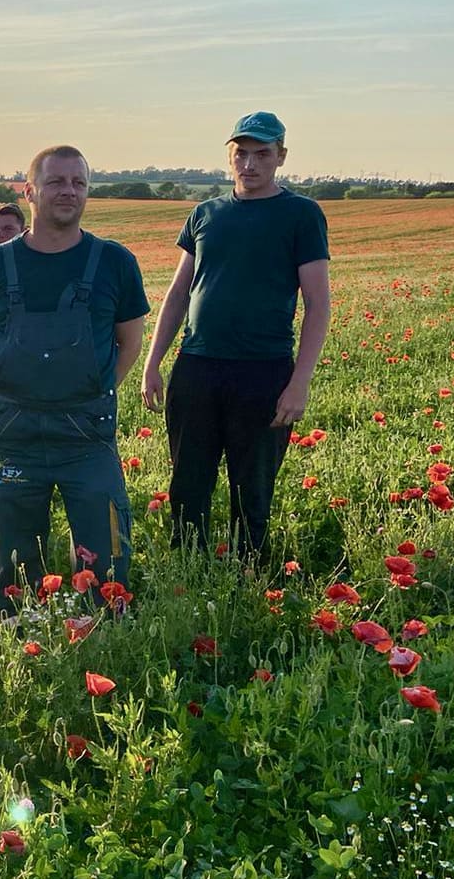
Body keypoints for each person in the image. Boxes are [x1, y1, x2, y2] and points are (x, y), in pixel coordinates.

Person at [0, 146, 149, 614]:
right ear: (29, 191)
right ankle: (16, 637)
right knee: (15, 561)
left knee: (105, 556)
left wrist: (89, 391)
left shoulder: (114, 263)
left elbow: (129, 345)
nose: (68, 191)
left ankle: (101, 632)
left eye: (78, 183)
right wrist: (14, 392)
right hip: (15, 435)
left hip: (87, 437)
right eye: (56, 182)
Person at [141, 111, 330, 560]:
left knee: (253, 489)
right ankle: (189, 571)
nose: (250, 164)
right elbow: (179, 293)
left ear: (281, 157)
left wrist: (299, 382)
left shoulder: (300, 215)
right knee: (188, 484)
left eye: (262, 154)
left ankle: (251, 579)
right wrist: (153, 363)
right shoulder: (205, 213)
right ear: (230, 158)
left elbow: (318, 305)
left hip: (264, 372)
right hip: (197, 367)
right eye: (241, 154)